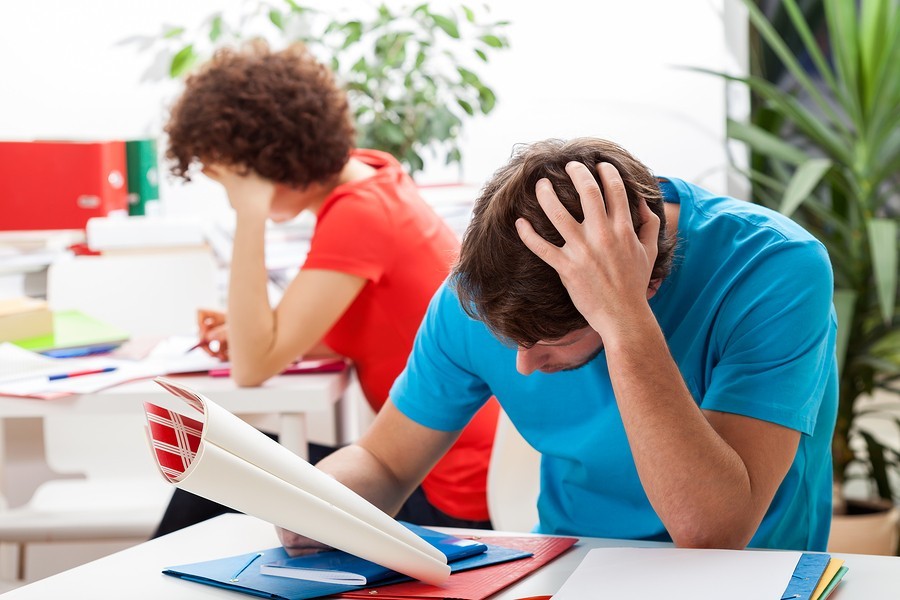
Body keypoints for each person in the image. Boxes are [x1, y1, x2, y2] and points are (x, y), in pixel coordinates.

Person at [280, 137, 838, 553]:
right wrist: (317, 502)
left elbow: (712, 533)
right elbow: (383, 461)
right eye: (510, 343)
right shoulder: (475, 295)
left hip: (746, 577)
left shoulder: (776, 268)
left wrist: (623, 317)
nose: (522, 366)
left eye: (553, 340)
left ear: (648, 279)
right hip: (572, 569)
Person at [151, 41, 498, 538]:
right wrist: (249, 331)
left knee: (216, 474)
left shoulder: (359, 215)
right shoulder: (374, 180)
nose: (231, 191)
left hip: (447, 491)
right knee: (218, 472)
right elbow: (352, 330)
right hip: (432, 470)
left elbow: (254, 365)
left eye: (231, 177)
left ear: (263, 163)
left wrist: (248, 210)